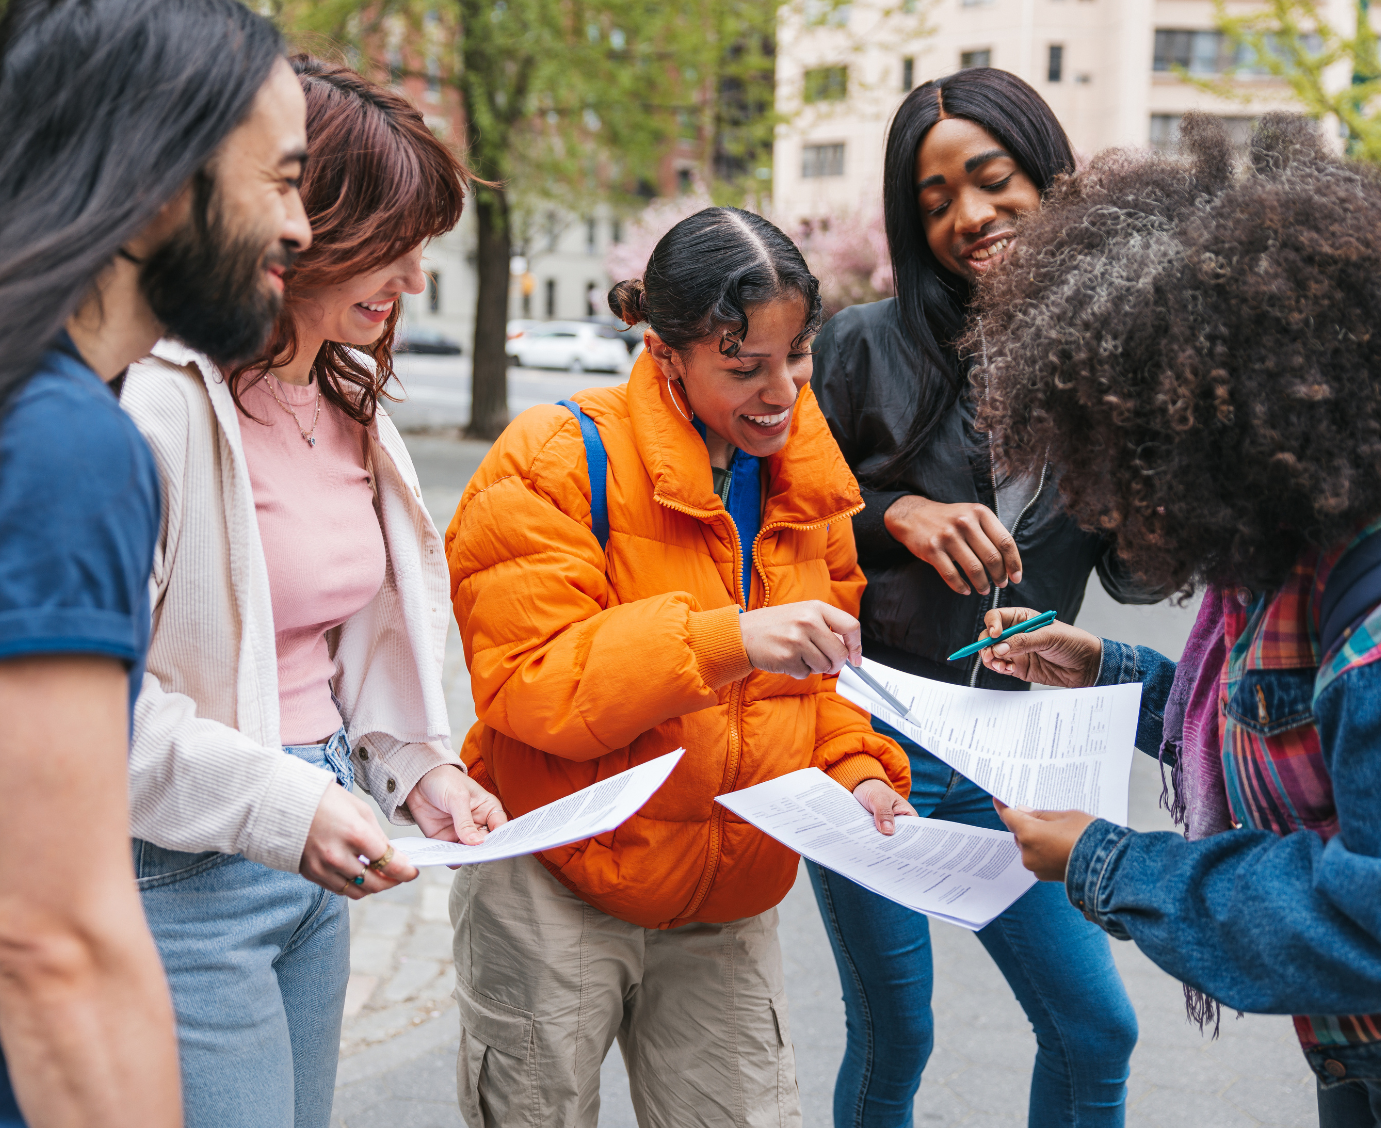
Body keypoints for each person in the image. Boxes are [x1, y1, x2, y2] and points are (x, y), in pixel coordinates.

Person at [444, 207, 914, 1127]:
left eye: (797, 356)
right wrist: (728, 639)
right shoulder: (553, 458)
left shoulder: (809, 479)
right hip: (557, 879)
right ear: (665, 354)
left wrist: (856, 771)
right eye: (745, 368)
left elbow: (826, 680)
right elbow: (530, 683)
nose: (781, 392)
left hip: (728, 898)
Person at [967, 114, 1381, 1128]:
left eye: (1121, 456)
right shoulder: (1294, 541)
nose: (1105, 500)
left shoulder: (1370, 627)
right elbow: (1279, 729)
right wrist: (1108, 669)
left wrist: (1107, 862)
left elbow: (1364, 916)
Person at [116, 56, 503, 1128]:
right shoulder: (157, 406)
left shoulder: (348, 400)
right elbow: (96, 708)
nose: (415, 278)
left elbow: (348, 648)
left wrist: (419, 770)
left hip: (316, 845)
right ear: (302, 219)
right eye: (394, 243)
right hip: (183, 870)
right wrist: (288, 805)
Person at [0, 2, 308, 1125]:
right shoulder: (58, 443)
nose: (300, 229)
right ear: (162, 176)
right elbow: (53, 937)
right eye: (283, 181)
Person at [807, 67, 1153, 1128]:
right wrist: (896, 515)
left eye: (991, 179)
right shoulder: (860, 345)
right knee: (896, 1035)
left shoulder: (1112, 356)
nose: (968, 215)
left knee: (1096, 1031)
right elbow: (781, 532)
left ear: (1048, 176)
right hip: (875, 740)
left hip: (1021, 748)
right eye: (935, 200)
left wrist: (1147, 456)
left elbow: (1136, 575)